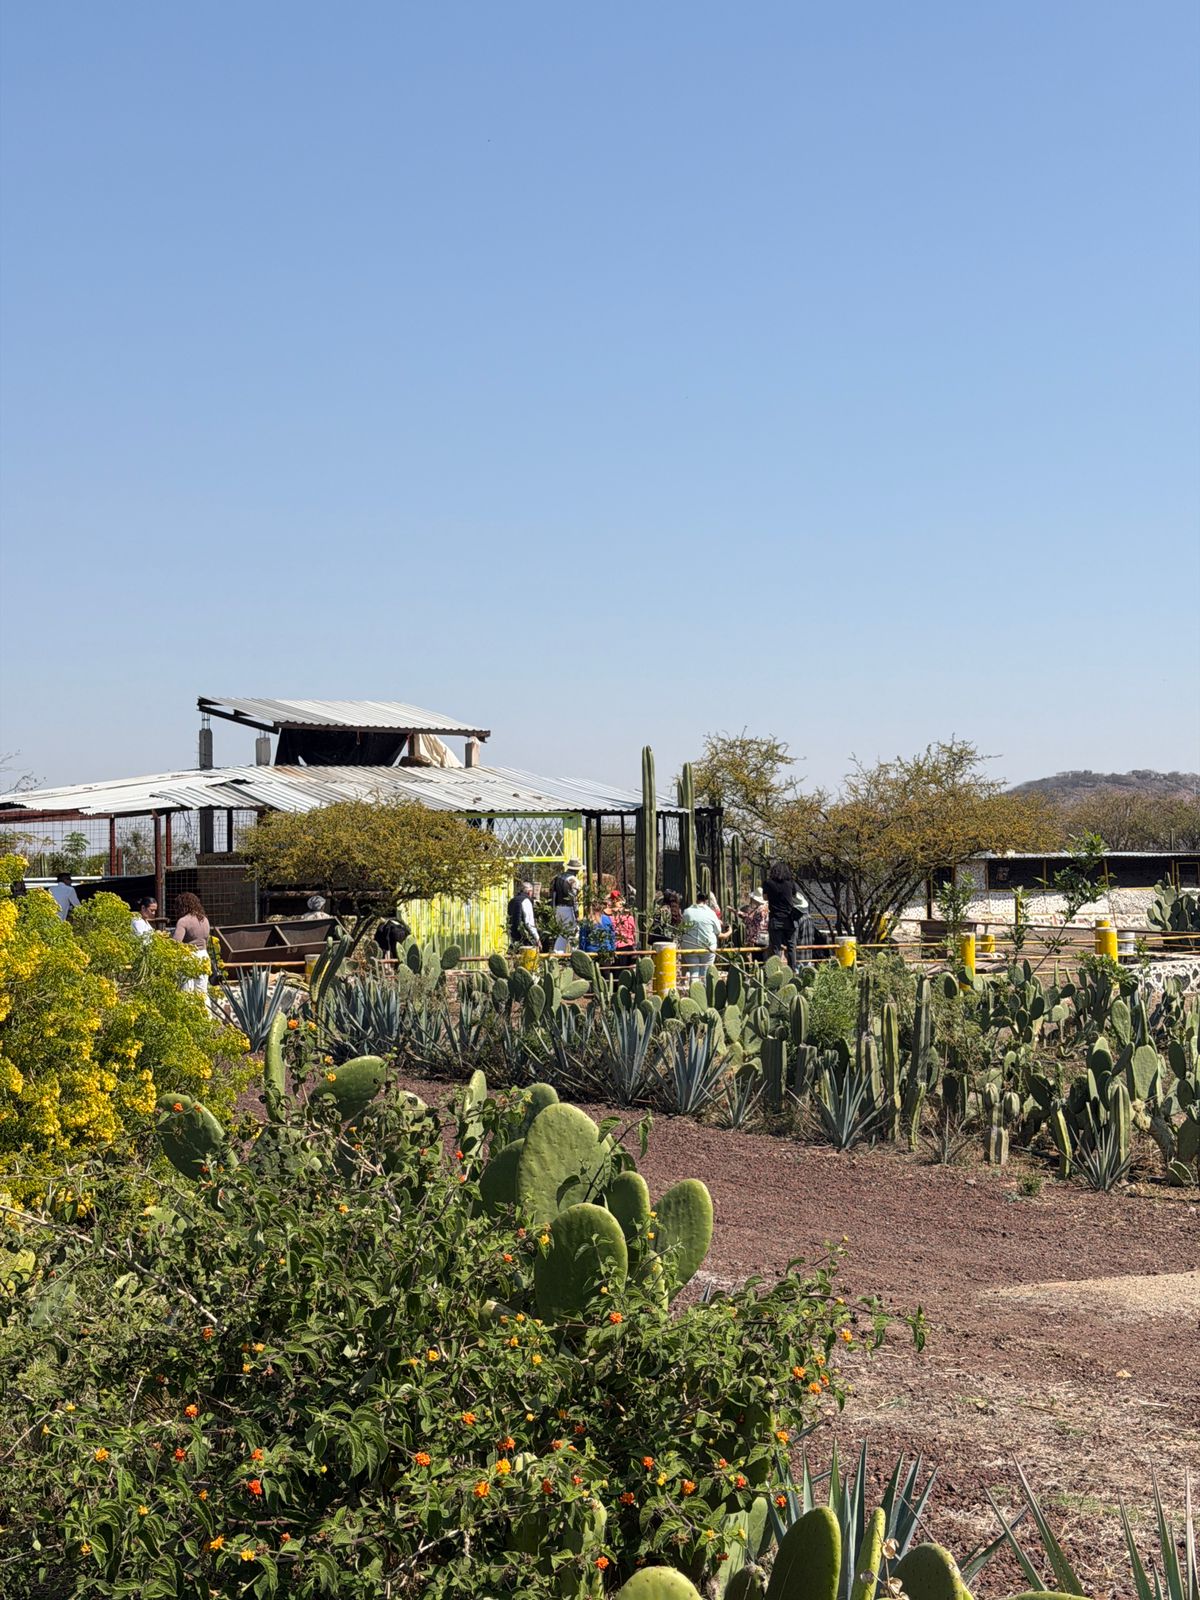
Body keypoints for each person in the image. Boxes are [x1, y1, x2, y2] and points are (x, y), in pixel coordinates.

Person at [678, 893, 724, 987]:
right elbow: (718, 931)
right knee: (705, 973)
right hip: (707, 947)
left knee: (693, 972)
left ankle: (694, 992)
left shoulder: (687, 912)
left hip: (690, 946)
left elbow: (681, 928)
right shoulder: (711, 913)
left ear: (696, 900)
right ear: (706, 901)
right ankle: (705, 993)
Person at [173, 891, 212, 995]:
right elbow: (207, 940)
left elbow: (176, 943)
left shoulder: (183, 921)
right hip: (203, 956)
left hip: (189, 957)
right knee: (202, 992)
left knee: (187, 992)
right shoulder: (204, 919)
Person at [764, 859, 801, 969]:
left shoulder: (768, 883)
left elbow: (764, 898)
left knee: (776, 948)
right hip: (789, 919)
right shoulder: (790, 883)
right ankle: (792, 970)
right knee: (791, 947)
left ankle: (776, 971)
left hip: (775, 919)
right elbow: (795, 896)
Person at [549, 858, 583, 942]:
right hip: (568, 908)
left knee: (562, 934)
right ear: (576, 869)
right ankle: (574, 950)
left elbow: (553, 895)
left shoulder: (558, 877)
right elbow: (574, 898)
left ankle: (558, 950)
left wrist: (554, 909)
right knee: (574, 933)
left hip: (558, 908)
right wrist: (576, 914)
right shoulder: (573, 880)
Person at [507, 881, 540, 950]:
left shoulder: (512, 901)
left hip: (513, 936)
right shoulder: (526, 901)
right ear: (529, 892)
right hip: (524, 937)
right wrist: (537, 938)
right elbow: (529, 923)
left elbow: (509, 919)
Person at [609, 890, 637, 957]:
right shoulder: (629, 917)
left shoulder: (610, 917)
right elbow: (634, 933)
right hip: (628, 944)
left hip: (618, 946)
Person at [741, 888, 769, 956]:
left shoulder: (759, 910)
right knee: (764, 956)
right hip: (765, 936)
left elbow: (751, 921)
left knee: (757, 957)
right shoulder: (766, 907)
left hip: (757, 938)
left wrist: (738, 913)